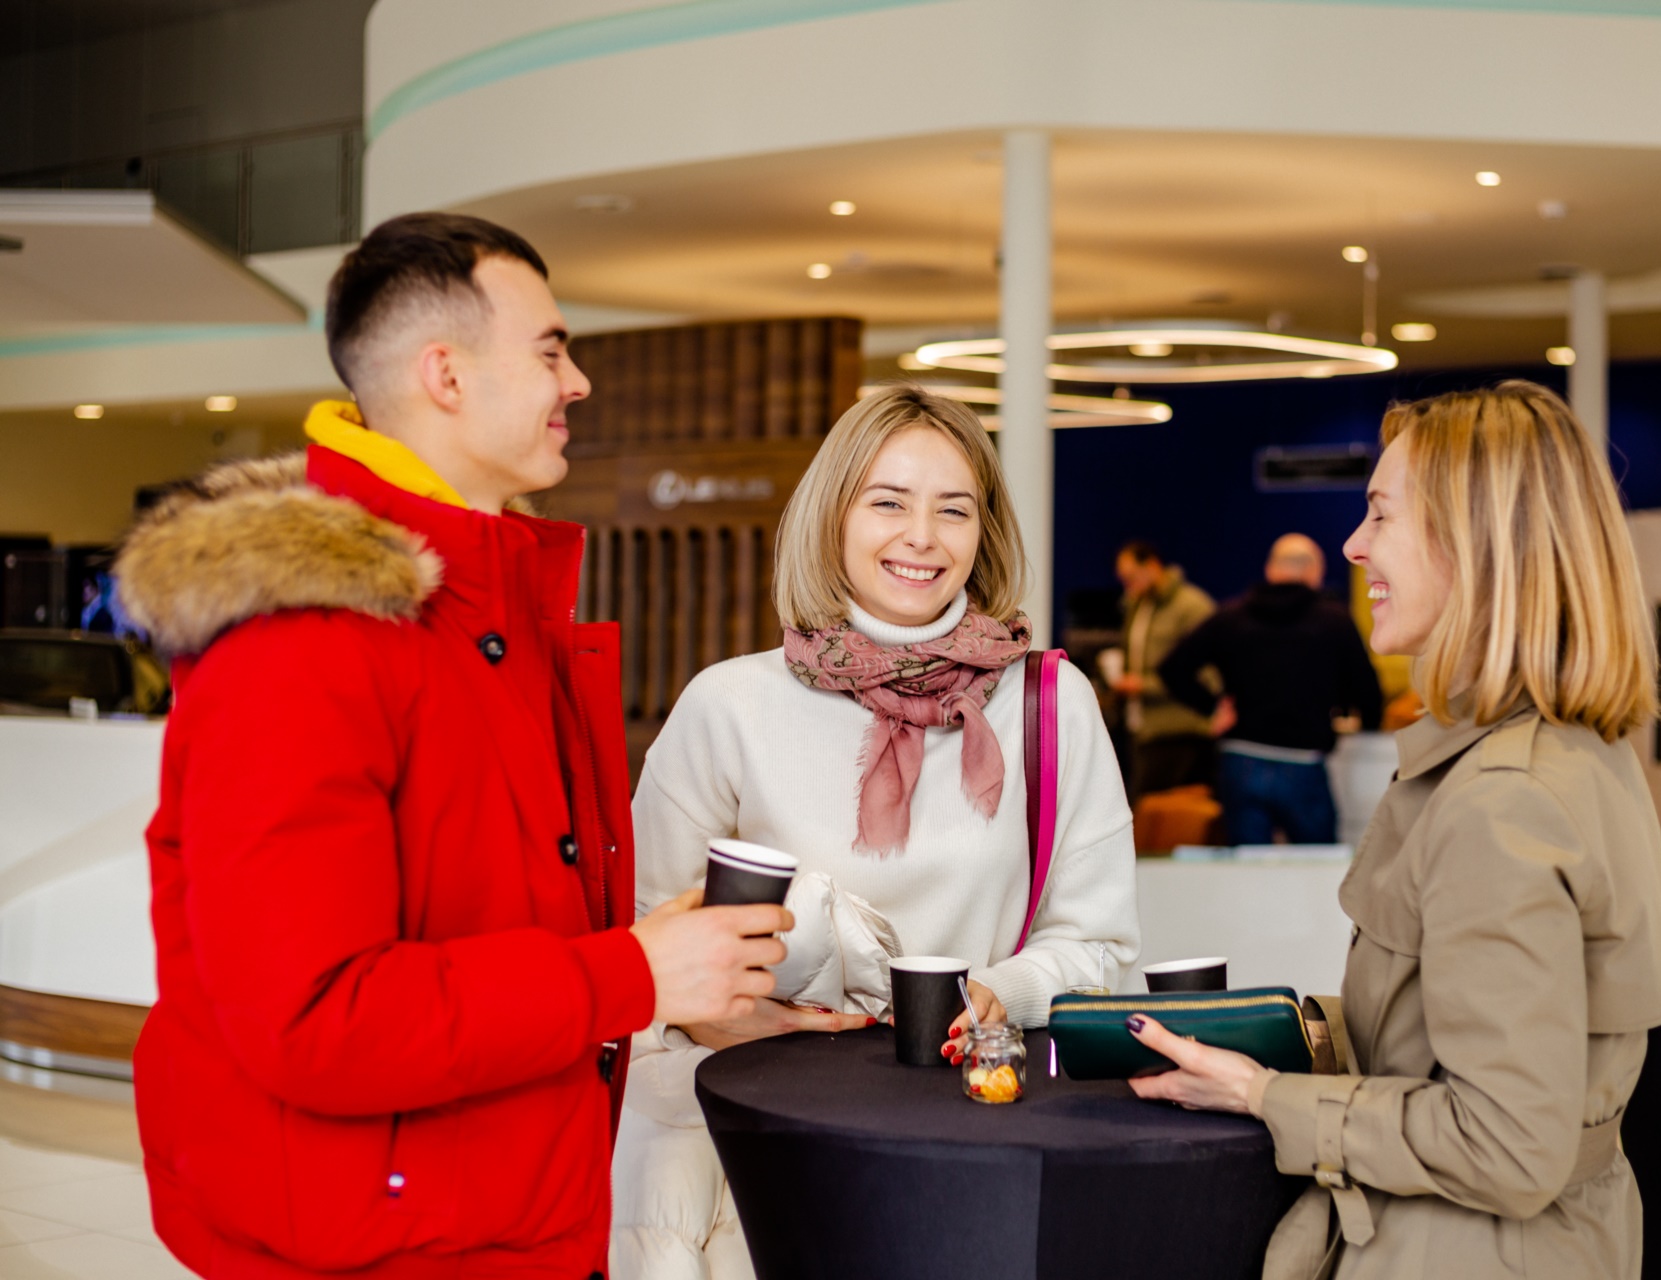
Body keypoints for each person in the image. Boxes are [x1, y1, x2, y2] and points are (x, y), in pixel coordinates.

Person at [116, 212, 789, 1280]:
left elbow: (493, 913)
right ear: (445, 373)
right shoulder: (302, 641)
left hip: (501, 1210)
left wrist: (662, 962)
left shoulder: (486, 615)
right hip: (371, 1245)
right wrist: (630, 972)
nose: (577, 383)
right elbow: (314, 1018)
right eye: (551, 350)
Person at [1124, 382, 1661, 1280]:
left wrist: (1265, 1095)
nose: (1355, 545)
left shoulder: (1501, 800)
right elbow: (1453, 1030)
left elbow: (1505, 1143)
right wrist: (1276, 1036)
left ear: (1476, 545)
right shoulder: (1576, 752)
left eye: (1381, 514)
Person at [615, 385, 1139, 1278]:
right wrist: (720, 1017)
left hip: (968, 1148)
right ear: (833, 516)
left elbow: (1102, 948)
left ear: (986, 531)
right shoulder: (729, 706)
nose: (922, 537)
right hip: (759, 1152)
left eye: (954, 509)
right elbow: (640, 946)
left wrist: (996, 994)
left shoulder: (1052, 703)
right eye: (888, 503)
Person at [1159, 532, 1383, 845]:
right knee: (1317, 865)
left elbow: (1172, 668)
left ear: (1270, 569)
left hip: (1240, 758)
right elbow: (1368, 693)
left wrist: (1213, 706)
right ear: (1315, 572)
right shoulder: (1335, 622)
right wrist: (1360, 724)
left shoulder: (1230, 617)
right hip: (1304, 761)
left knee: (1248, 866)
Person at [1111, 539, 1216, 796]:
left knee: (1165, 812)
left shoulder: (1192, 606)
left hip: (1181, 731)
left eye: (1131, 577)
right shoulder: (1139, 606)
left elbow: (1208, 675)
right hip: (1143, 729)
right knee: (1144, 809)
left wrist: (1143, 685)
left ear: (1152, 565)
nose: (1128, 586)